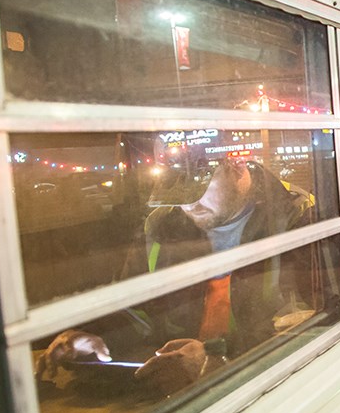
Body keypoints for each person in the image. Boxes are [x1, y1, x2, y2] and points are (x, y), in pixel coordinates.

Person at [35, 157, 314, 394]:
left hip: (267, 390)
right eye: (178, 199)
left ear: (237, 170)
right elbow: (138, 307)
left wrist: (218, 358)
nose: (188, 209)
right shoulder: (163, 225)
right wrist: (96, 336)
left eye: (198, 197)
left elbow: (312, 324)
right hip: (176, 393)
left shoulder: (296, 218)